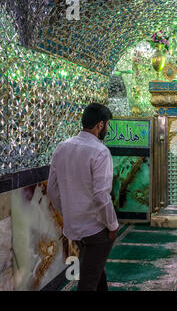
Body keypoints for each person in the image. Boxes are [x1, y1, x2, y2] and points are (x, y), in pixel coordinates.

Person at [47, 103, 119, 291]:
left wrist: (70, 212)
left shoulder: (62, 148)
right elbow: (101, 195)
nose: (107, 129)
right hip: (96, 229)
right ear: (100, 125)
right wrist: (112, 226)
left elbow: (52, 191)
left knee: (94, 269)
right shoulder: (100, 152)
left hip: (73, 226)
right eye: (108, 125)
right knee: (88, 280)